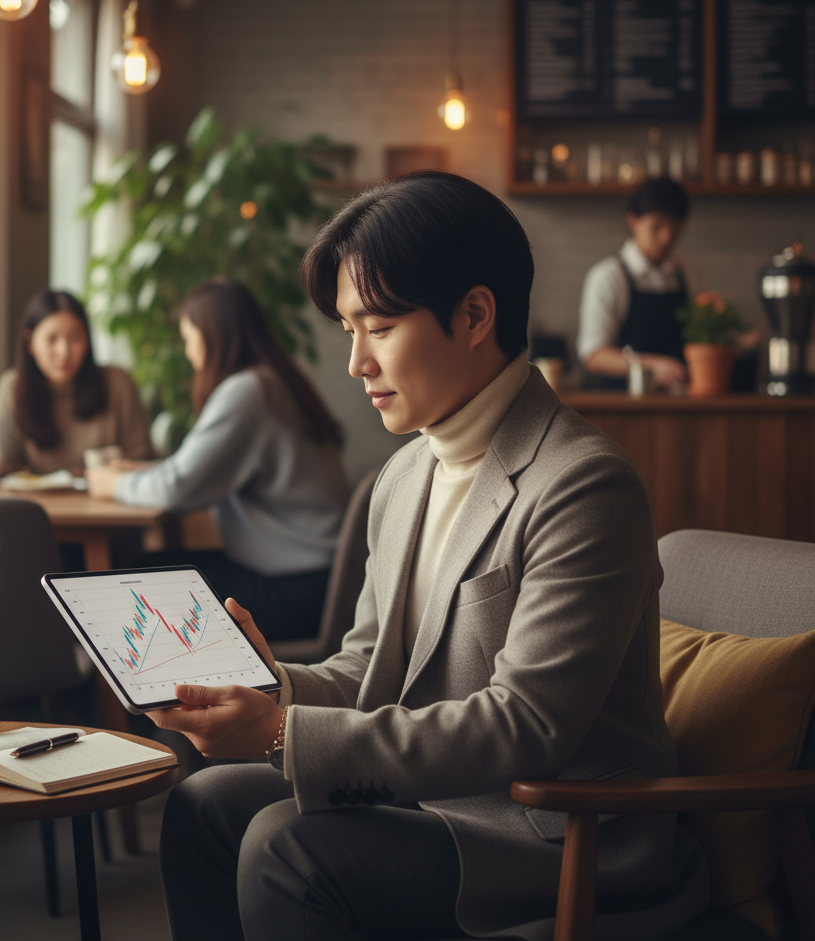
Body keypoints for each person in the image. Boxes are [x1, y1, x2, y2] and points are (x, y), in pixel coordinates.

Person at [147, 172, 706, 941]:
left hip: (557, 835)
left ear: (475, 315)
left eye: (378, 327)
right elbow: (370, 668)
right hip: (432, 799)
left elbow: (527, 724)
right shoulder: (404, 475)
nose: (356, 363)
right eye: (348, 330)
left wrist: (280, 733)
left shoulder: (584, 484)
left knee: (287, 848)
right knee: (203, 804)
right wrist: (269, 686)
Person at [86, 278, 350, 643]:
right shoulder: (274, 383)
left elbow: (177, 488)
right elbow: (196, 471)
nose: (188, 352)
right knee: (152, 571)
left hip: (296, 591)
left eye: (189, 338)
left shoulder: (247, 393)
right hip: (321, 581)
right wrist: (146, 472)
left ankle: (132, 682)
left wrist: (111, 483)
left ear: (213, 336)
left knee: (138, 579)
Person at [0, 289, 151, 474]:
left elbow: (142, 458)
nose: (64, 351)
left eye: (75, 337)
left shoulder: (117, 383)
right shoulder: (12, 387)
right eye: (52, 339)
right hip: (35, 494)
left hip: (106, 491)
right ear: (30, 343)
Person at [577, 177, 691, 389]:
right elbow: (593, 355)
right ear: (633, 220)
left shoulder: (689, 274)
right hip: (622, 403)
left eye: (675, 227)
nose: (666, 237)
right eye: (657, 226)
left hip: (681, 400)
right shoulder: (608, 276)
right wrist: (651, 366)